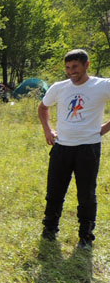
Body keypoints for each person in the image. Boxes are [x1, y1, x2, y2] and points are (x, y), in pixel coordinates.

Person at [39, 49, 110, 248]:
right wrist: (48, 130)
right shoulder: (59, 87)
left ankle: (86, 236)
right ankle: (49, 229)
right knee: (54, 191)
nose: (71, 71)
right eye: (68, 68)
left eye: (75, 67)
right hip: (62, 147)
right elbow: (43, 107)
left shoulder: (102, 85)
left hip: (88, 148)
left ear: (86, 65)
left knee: (86, 194)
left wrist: (104, 129)